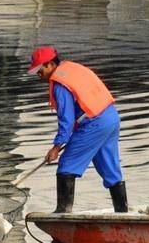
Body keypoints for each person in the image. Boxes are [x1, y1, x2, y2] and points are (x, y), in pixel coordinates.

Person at [28, 46, 128, 213]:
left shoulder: (60, 85)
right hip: (111, 117)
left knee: (66, 165)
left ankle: (63, 213)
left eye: (40, 70)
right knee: (109, 168)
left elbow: (66, 122)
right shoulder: (72, 68)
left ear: (51, 64)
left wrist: (56, 147)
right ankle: (123, 212)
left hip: (94, 123)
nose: (38, 75)